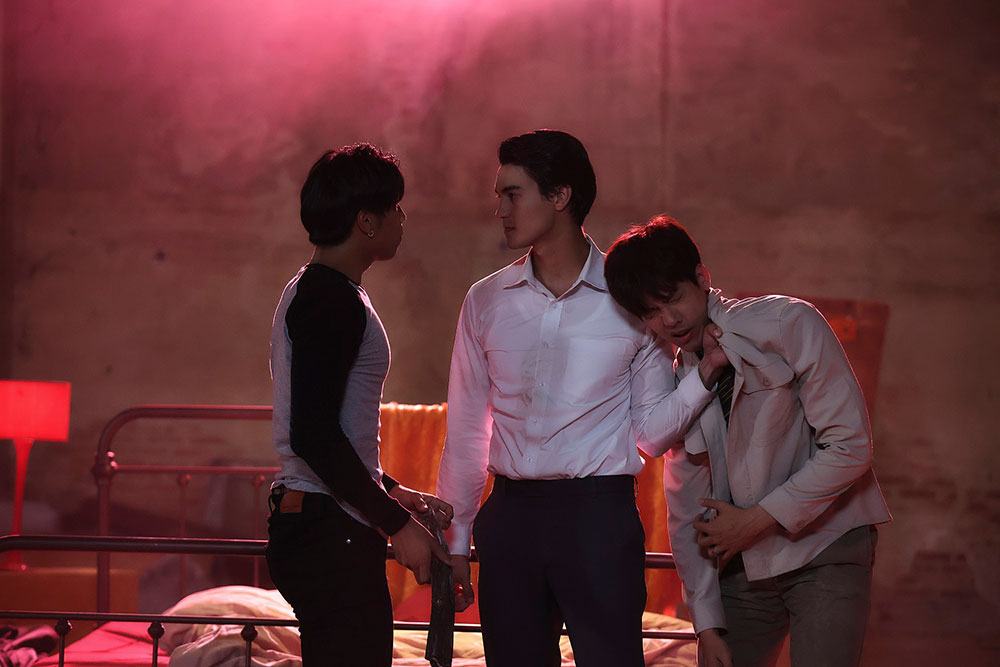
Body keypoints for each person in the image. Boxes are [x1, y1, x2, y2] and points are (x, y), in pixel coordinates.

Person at [435, 130, 729, 667]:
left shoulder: (628, 301)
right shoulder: (484, 301)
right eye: (499, 195)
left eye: (512, 194)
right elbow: (466, 434)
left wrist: (706, 374)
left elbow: (651, 433)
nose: (500, 209)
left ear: (560, 196)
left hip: (599, 516)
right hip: (510, 517)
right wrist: (456, 541)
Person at [603, 216, 892, 667]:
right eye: (651, 313)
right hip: (744, 567)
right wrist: (706, 624)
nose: (669, 320)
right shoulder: (680, 383)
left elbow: (850, 447)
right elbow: (686, 508)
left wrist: (754, 521)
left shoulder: (787, 322)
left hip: (826, 545)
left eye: (673, 298)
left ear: (702, 277)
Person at [265, 143, 453, 667]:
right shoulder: (330, 299)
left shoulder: (320, 290)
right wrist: (395, 523)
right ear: (366, 221)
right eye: (395, 207)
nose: (402, 218)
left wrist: (391, 489)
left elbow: (327, 428)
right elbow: (312, 434)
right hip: (329, 530)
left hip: (321, 520)